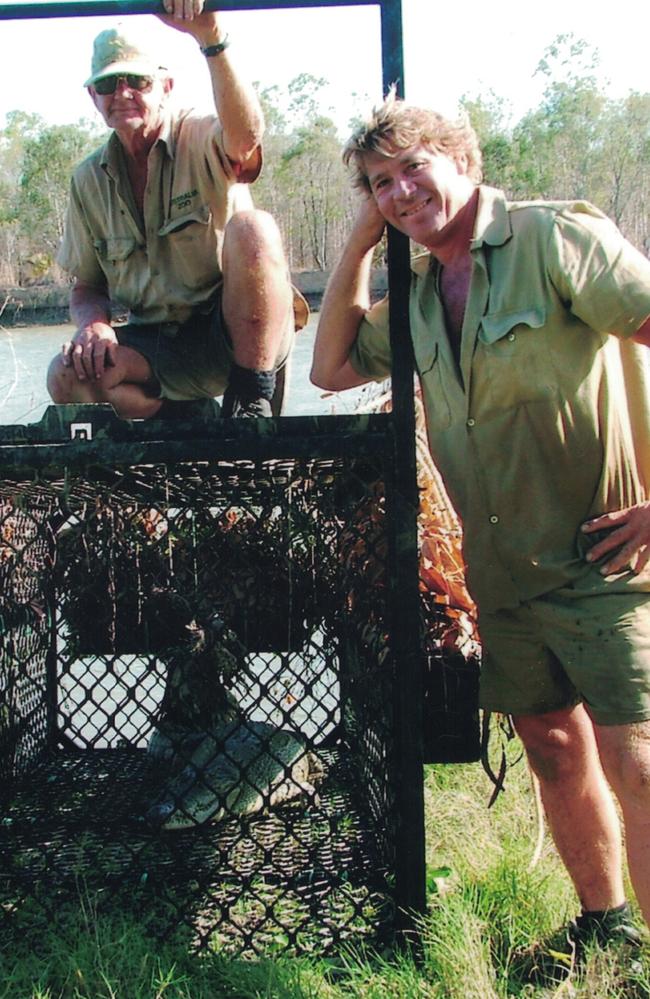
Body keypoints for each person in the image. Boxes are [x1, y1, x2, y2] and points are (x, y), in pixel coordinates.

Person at [311, 91, 650, 970]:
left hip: (606, 558)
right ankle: (605, 927)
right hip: (501, 575)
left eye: (413, 166)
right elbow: (331, 363)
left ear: (463, 156)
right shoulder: (420, 293)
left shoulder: (553, 239)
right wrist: (361, 239)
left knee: (637, 758)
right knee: (550, 742)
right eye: (379, 183)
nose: (401, 191)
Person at [48, 3, 307, 420]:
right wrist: (93, 325)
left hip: (235, 337)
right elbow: (87, 288)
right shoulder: (87, 179)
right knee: (65, 377)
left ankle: (250, 400)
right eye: (110, 83)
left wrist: (211, 38)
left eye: (138, 80)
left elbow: (245, 137)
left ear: (166, 86)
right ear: (92, 96)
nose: (124, 93)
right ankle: (186, 420)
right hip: (157, 345)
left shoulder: (202, 136)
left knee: (254, 227)